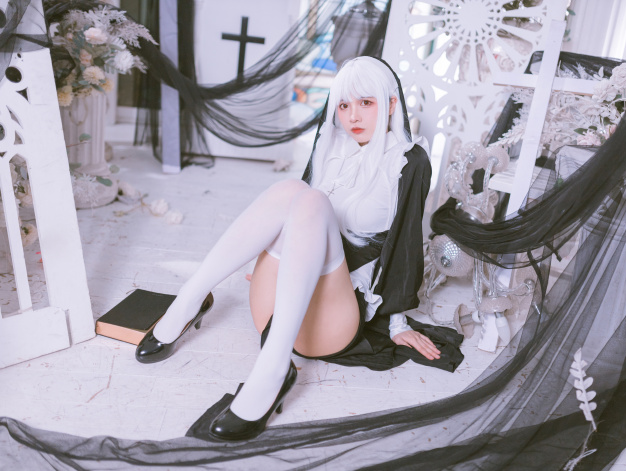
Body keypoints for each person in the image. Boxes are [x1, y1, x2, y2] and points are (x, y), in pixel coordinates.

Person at [135, 56, 454, 441]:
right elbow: (293, 217)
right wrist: (269, 258)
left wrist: (398, 322)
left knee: (310, 199)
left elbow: (405, 242)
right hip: (275, 303)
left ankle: (273, 370)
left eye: (366, 103)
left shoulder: (408, 161)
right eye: (343, 105)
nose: (353, 116)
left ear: (390, 104)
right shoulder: (330, 144)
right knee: (295, 190)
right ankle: (190, 299)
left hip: (332, 320)